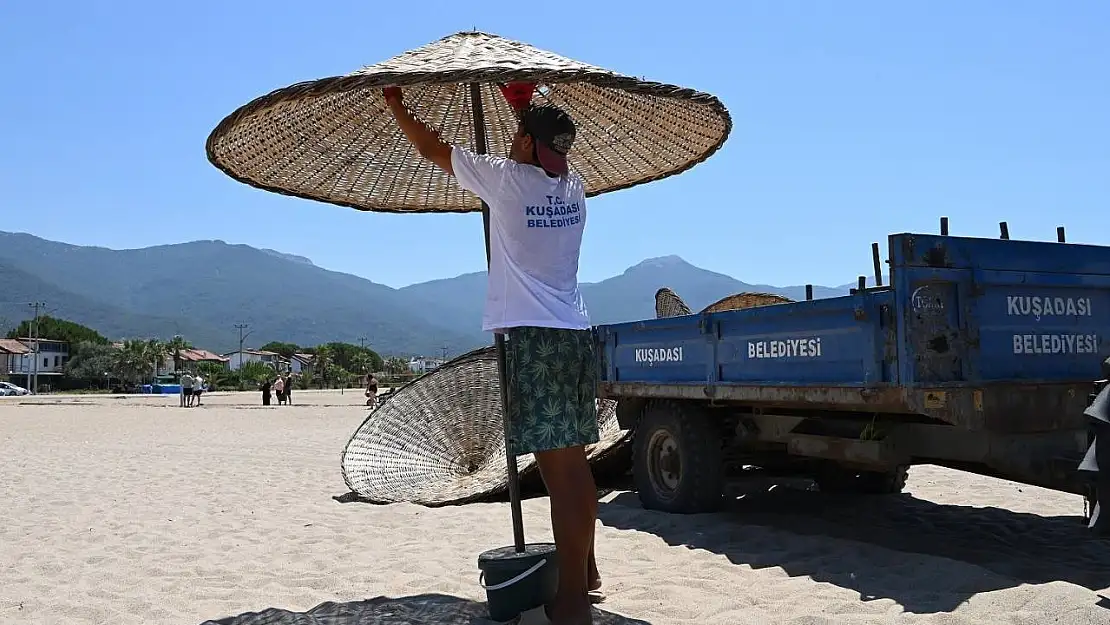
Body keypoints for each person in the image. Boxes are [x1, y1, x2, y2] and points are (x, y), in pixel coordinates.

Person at [385, 85, 601, 624]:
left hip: (535, 338)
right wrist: (521, 107)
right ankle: (588, 572)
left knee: (560, 473)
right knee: (574, 464)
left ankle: (571, 599)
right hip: (575, 333)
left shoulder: (506, 181)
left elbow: (434, 150)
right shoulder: (573, 187)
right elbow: (532, 146)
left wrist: (397, 108)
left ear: (523, 143)